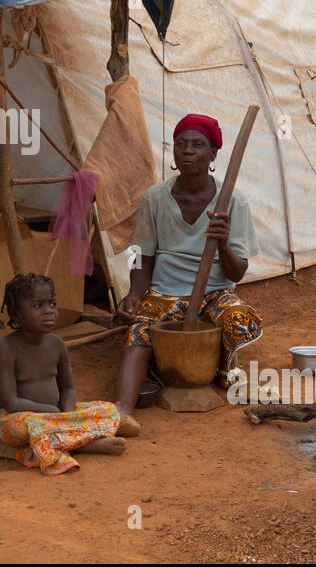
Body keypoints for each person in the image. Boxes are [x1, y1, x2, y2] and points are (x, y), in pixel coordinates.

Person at [112, 113, 262, 437]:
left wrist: (222, 242)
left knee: (238, 318)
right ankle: (123, 408)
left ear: (213, 155)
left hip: (216, 290)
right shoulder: (155, 198)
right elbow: (142, 255)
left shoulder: (233, 200)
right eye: (181, 144)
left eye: (197, 145)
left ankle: (223, 367)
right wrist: (135, 295)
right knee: (140, 330)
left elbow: (238, 271)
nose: (188, 151)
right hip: (166, 290)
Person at [0, 273, 124, 474]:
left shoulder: (57, 345)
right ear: (17, 314)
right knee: (34, 425)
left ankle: (72, 436)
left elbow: (68, 387)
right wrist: (50, 412)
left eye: (52, 303)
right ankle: (83, 444)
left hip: (55, 415)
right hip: (12, 420)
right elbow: (11, 402)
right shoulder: (6, 349)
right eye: (38, 306)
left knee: (105, 408)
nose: (49, 310)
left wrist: (66, 413)